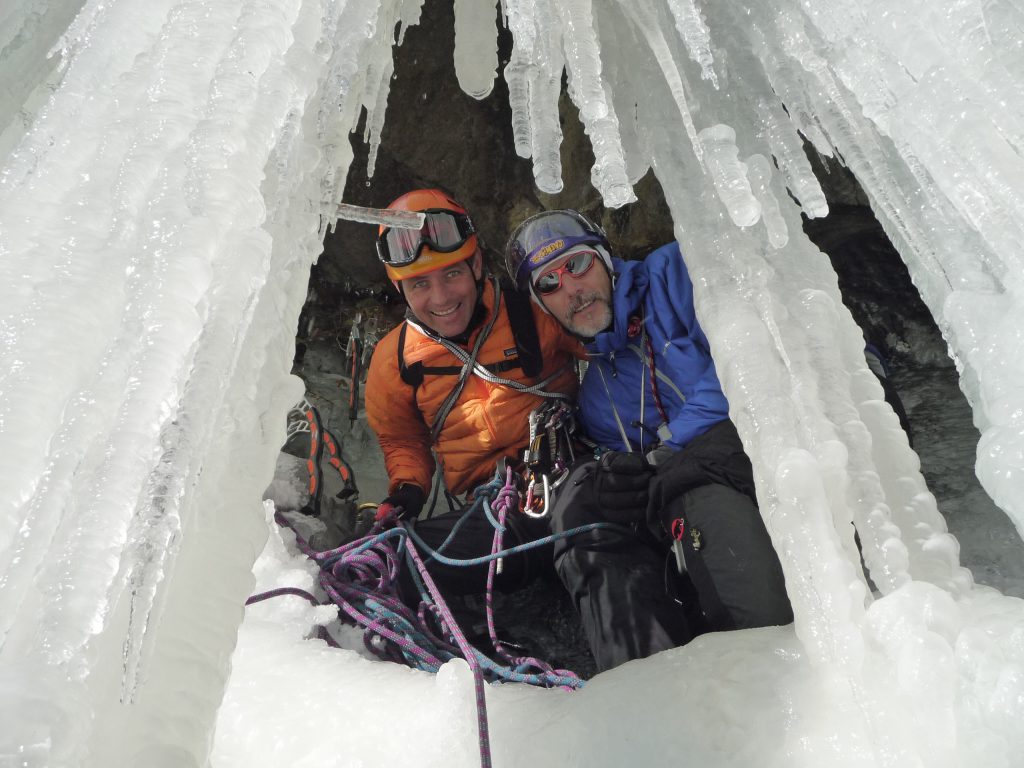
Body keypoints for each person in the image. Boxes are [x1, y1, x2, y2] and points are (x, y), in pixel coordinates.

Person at [505, 209, 794, 672]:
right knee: (615, 501)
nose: (571, 289)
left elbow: (750, 360)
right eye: (550, 284)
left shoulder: (675, 274)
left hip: (780, 440)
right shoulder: (598, 398)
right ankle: (650, 678)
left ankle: (770, 665)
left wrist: (669, 447)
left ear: (605, 259)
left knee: (687, 478)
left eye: (577, 265)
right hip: (712, 497)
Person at [364, 189, 583, 599]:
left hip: (569, 478)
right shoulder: (396, 360)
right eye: (419, 284)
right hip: (494, 514)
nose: (442, 298)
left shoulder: (532, 310)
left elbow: (605, 345)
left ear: (477, 263)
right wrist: (407, 490)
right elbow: (402, 438)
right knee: (381, 562)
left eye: (452, 274)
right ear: (400, 290)